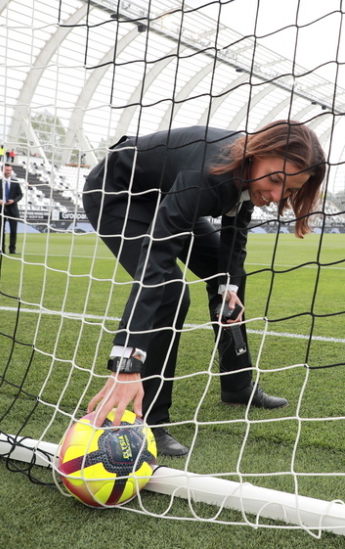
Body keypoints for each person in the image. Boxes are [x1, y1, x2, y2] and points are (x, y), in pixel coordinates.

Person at [81, 120, 326, 456]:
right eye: (275, 180)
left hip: (166, 193)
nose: (276, 197)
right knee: (169, 289)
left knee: (229, 282)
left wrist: (229, 285)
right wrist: (126, 362)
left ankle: (237, 385)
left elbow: (235, 232)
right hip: (119, 194)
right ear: (257, 154)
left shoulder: (247, 170)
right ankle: (149, 420)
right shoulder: (209, 173)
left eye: (290, 190)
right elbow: (155, 262)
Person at [0, 163, 22, 255]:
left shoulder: (15, 182)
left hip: (13, 209)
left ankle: (12, 250)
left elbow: (20, 195)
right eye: (6, 170)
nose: (8, 172)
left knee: (13, 231)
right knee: (0, 231)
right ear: (2, 170)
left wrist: (14, 200)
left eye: (9, 170)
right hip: (1, 209)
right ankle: (1, 250)